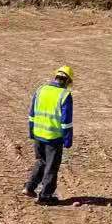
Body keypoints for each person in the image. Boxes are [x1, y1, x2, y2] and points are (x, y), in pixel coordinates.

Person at [25, 66, 74, 204]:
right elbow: (66, 122)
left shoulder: (41, 90)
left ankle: (30, 187)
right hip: (53, 137)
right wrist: (68, 139)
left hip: (38, 134)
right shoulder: (65, 95)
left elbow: (32, 114)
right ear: (67, 81)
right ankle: (45, 196)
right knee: (52, 166)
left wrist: (31, 131)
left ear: (56, 77)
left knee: (41, 161)